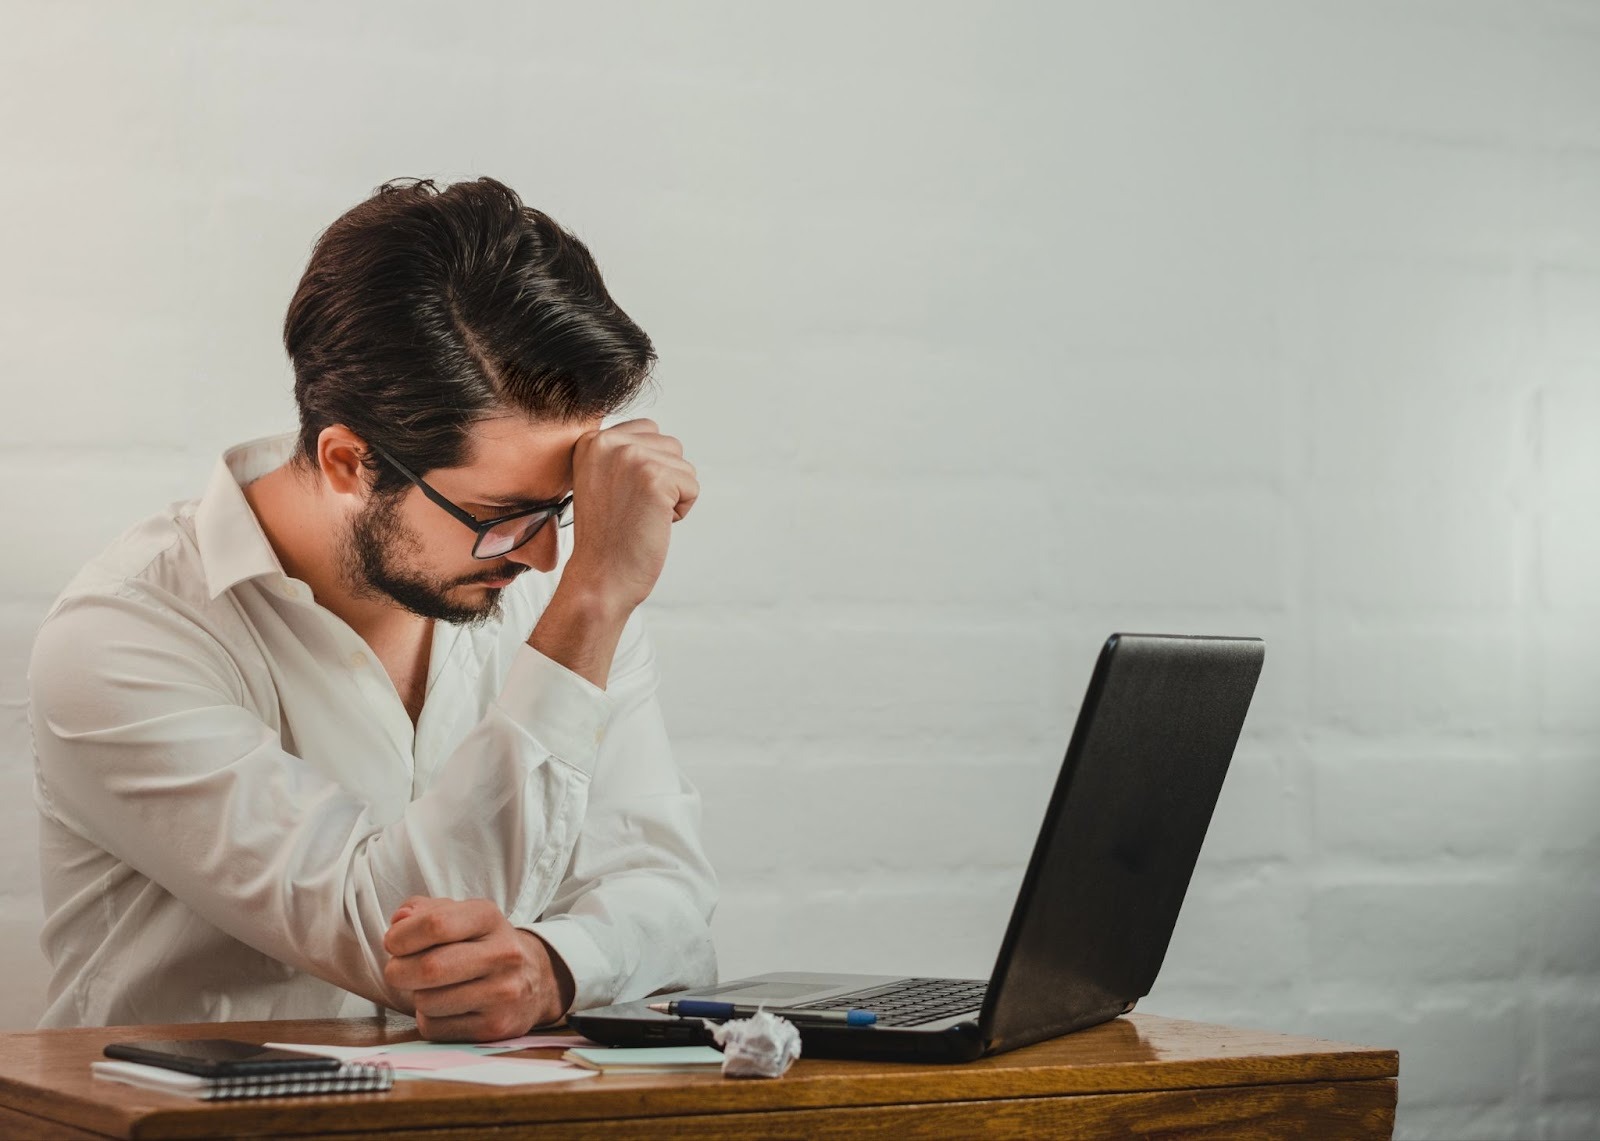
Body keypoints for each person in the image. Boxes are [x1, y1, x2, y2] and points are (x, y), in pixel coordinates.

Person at [27, 177, 717, 1041]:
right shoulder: (121, 637)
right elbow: (383, 931)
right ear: (350, 461)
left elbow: (672, 896)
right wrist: (594, 598)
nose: (547, 555)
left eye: (563, 507)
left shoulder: (546, 584)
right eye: (503, 517)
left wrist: (554, 965)